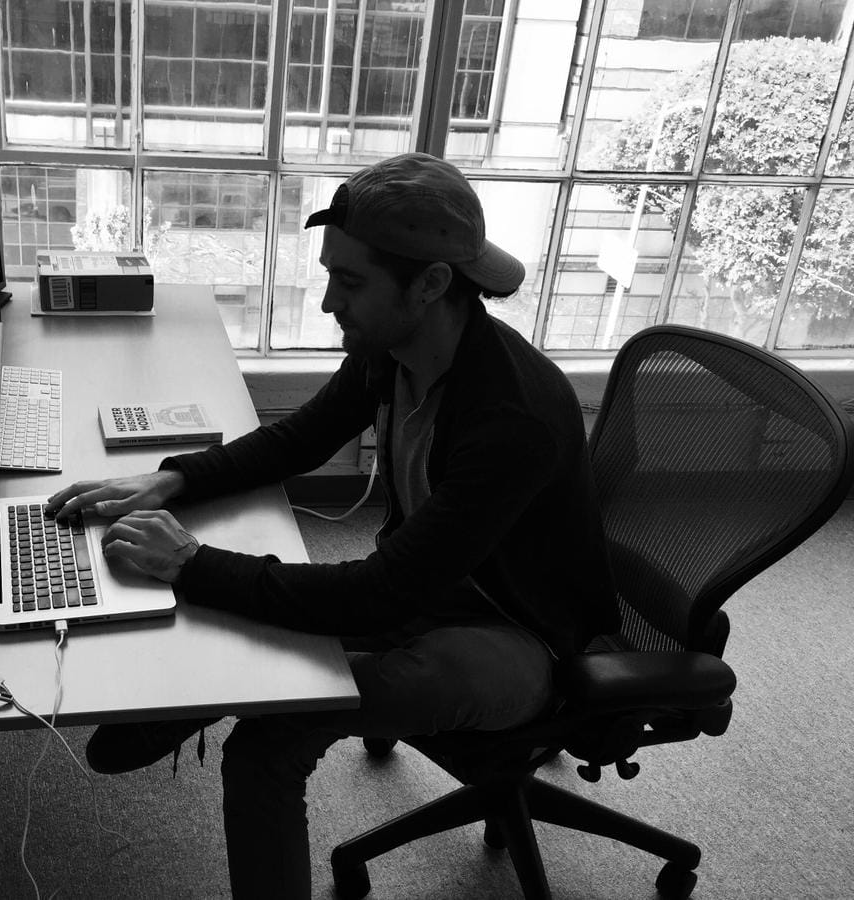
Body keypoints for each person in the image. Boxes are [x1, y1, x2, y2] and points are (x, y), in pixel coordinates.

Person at [44, 152, 619, 899]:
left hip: (515, 636)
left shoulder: (510, 420)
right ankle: (220, 684)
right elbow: (304, 437)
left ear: (432, 284)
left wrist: (188, 562)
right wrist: (172, 477)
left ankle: (222, 691)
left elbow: (377, 595)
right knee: (257, 630)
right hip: (430, 583)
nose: (326, 304)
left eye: (349, 283)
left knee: (269, 741)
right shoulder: (396, 345)